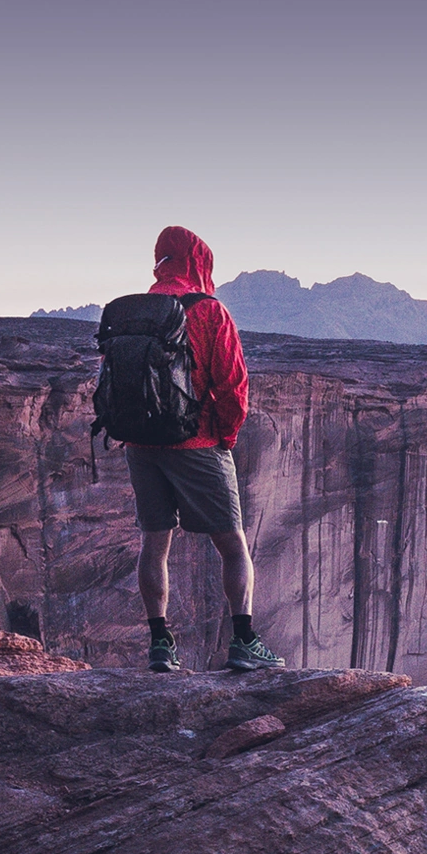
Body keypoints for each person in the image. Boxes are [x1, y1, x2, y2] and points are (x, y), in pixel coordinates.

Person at [120, 225, 284, 673]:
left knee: (154, 544)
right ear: (201, 261)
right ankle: (245, 640)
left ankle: (159, 644)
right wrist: (224, 439)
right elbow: (233, 386)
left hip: (139, 443)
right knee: (233, 546)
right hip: (197, 443)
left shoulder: (133, 311)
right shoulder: (209, 310)